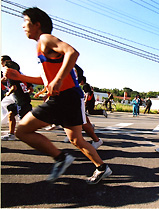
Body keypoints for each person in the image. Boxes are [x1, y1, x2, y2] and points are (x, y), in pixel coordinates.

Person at [3, 7, 111, 184]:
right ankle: (102, 168)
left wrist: (58, 80)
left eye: (25, 21)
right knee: (76, 139)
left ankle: (60, 158)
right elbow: (45, 80)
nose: (22, 26)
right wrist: (20, 77)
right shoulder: (41, 46)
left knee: (22, 130)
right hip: (70, 97)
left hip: (64, 97)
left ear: (37, 24)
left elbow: (72, 52)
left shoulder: (45, 38)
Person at [1, 61, 33, 141]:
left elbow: (13, 88)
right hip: (23, 99)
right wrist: (25, 94)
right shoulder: (22, 76)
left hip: (20, 101)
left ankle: (32, 136)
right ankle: (11, 134)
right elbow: (31, 89)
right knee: (11, 114)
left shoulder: (11, 77)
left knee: (24, 121)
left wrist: (8, 93)